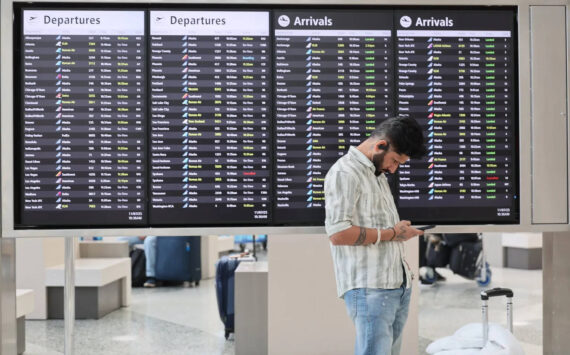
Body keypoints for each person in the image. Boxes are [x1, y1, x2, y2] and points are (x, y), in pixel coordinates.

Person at [324, 116, 427, 355]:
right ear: (380, 145)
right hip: (371, 288)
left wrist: (399, 232)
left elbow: (379, 227)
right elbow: (338, 233)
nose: (393, 169)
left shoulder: (376, 174)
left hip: (396, 284)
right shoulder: (345, 173)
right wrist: (392, 233)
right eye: (394, 161)